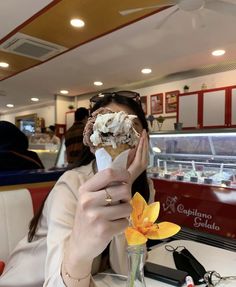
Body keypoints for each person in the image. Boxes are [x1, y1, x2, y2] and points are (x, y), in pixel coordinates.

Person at [0, 91, 154, 287]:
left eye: (128, 128)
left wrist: (126, 187)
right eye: (105, 129)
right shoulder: (72, 183)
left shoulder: (144, 187)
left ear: (144, 138)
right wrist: (80, 250)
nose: (116, 138)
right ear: (92, 142)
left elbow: (126, 270)